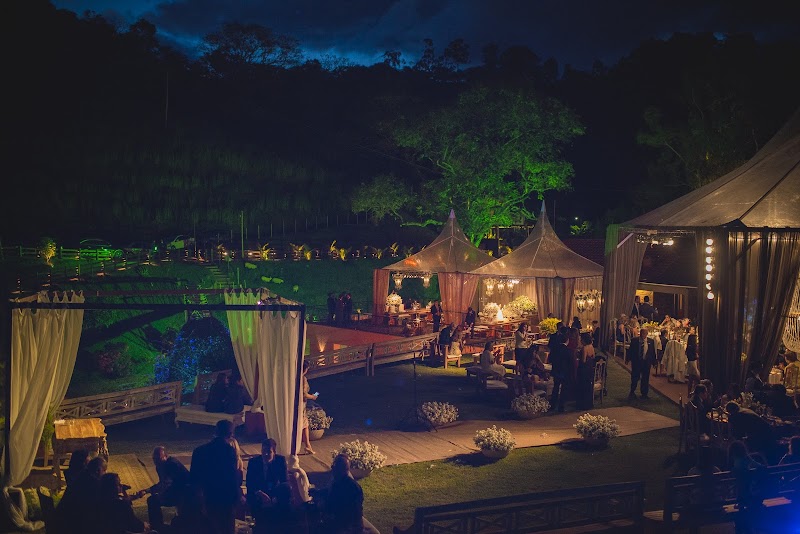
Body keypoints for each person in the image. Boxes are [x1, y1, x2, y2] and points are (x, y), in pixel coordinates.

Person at [190, 420, 242, 534]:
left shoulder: (199, 451)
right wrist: (236, 499)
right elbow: (232, 478)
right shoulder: (229, 451)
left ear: (216, 431)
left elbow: (193, 479)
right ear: (230, 434)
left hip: (207, 497)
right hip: (225, 499)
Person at [246, 438, 290, 533]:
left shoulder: (280, 461)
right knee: (251, 498)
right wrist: (259, 493)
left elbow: (285, 481)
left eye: (269, 452)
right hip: (259, 492)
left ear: (274, 452)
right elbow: (249, 483)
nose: (266, 454)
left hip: (274, 492)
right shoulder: (254, 462)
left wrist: (274, 497)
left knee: (286, 492)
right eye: (264, 451)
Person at [147, 445, 190, 532]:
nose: (156, 461)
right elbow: (163, 483)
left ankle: (157, 527)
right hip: (174, 491)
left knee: (153, 500)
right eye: (154, 459)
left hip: (184, 493)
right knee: (152, 500)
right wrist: (148, 490)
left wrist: (154, 491)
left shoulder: (172, 464)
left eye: (159, 458)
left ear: (166, 456)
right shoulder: (159, 466)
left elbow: (167, 484)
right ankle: (157, 527)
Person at [323, 454, 370, 534]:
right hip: (338, 520)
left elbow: (352, 513)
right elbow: (329, 492)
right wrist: (318, 492)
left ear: (344, 470)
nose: (332, 469)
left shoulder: (352, 488)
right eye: (333, 466)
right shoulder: (337, 481)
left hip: (348, 526)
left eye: (335, 467)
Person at [627, 328, 657, 401]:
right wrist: (628, 359)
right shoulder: (634, 340)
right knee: (635, 377)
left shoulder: (651, 341)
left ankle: (644, 394)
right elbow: (630, 350)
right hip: (637, 362)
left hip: (646, 363)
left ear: (647, 334)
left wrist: (654, 362)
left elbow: (652, 352)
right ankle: (632, 392)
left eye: (644, 334)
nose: (643, 335)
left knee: (645, 378)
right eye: (642, 333)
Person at [548, 333, 571, 412]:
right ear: (567, 340)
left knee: (555, 388)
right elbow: (569, 362)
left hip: (556, 370)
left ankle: (553, 405)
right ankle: (561, 406)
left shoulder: (555, 349)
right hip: (564, 371)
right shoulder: (567, 350)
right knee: (563, 389)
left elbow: (550, 359)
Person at [301, 360, 319, 455]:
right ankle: (308, 446)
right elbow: (304, 394)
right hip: (300, 405)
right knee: (304, 425)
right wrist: (312, 396)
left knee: (304, 425)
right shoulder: (302, 379)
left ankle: (308, 446)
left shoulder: (293, 377)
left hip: (297, 404)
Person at [576, 332, 596, 410]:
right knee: (588, 386)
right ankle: (588, 403)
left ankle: (582, 404)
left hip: (584, 369)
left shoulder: (585, 348)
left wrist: (578, 356)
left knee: (582, 386)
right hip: (590, 368)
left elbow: (583, 360)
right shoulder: (591, 346)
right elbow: (593, 356)